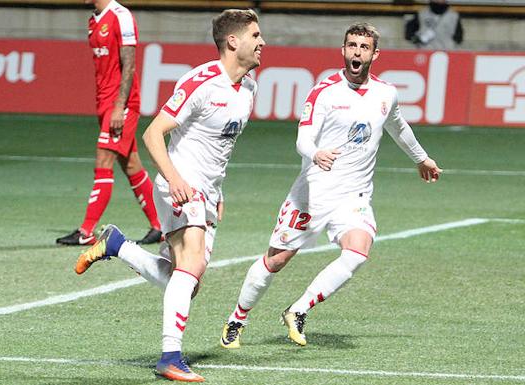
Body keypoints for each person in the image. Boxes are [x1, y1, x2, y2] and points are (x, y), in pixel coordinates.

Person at [220, 22, 442, 349]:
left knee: (357, 251)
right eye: (351, 45)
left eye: (363, 47)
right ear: (343, 50)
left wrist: (422, 158)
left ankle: (298, 310)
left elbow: (399, 127)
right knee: (277, 260)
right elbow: (303, 139)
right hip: (313, 193)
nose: (356, 52)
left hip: (354, 196)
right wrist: (316, 153)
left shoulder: (386, 93)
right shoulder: (324, 91)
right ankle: (237, 319)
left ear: (374, 54)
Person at [74, 9, 265, 382]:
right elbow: (152, 133)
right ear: (233, 41)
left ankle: (118, 245)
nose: (262, 43)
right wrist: (175, 178)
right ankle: (170, 357)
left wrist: (217, 190)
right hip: (180, 185)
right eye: (255, 35)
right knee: (190, 265)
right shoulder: (201, 81)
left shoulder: (249, 89)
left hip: (206, 191)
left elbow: (218, 148)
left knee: (186, 281)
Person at [56, 0, 162, 246]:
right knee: (131, 165)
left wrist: (119, 106)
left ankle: (86, 232)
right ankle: (159, 225)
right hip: (104, 103)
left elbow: (129, 64)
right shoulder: (94, 19)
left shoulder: (121, 16)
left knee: (103, 162)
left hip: (120, 104)